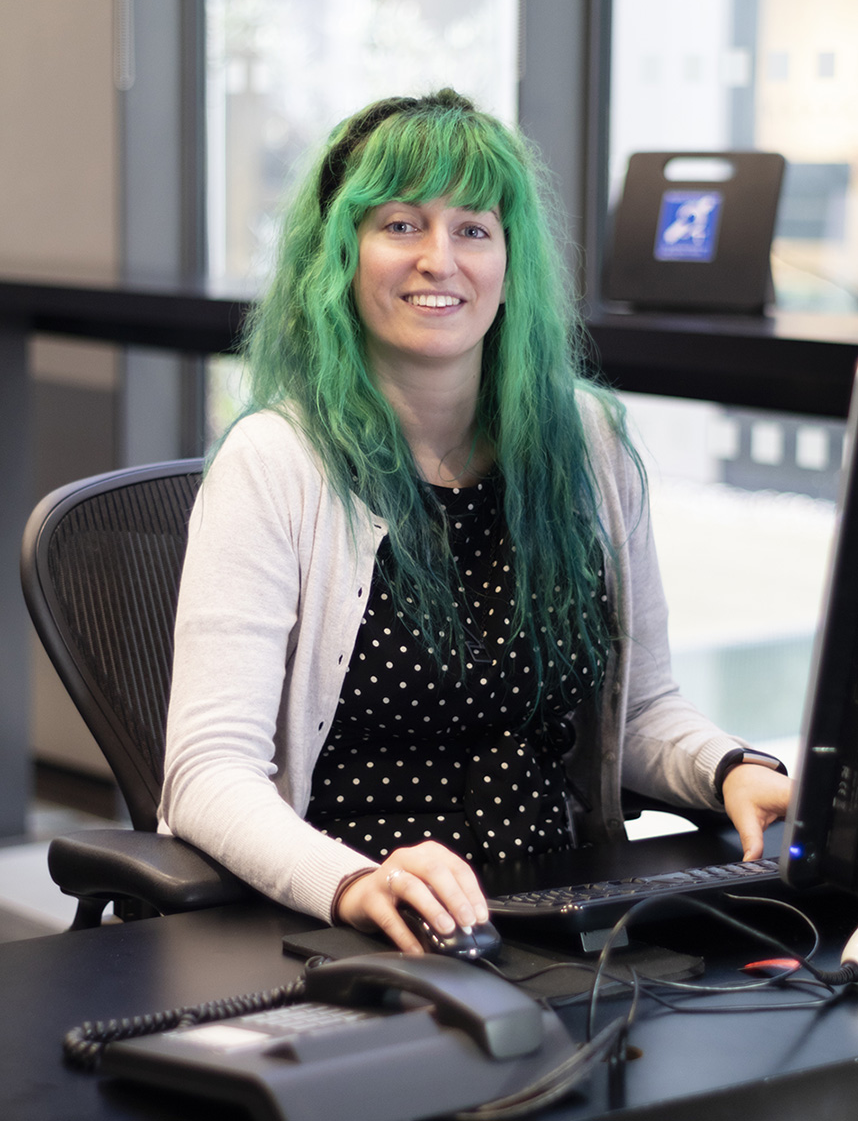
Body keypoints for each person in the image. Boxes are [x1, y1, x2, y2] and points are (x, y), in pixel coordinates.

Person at [159, 88, 791, 955]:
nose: (438, 259)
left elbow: (642, 710)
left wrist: (731, 768)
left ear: (508, 260)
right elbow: (206, 774)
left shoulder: (587, 445)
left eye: (472, 229)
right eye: (401, 224)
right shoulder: (276, 463)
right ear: (340, 253)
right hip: (352, 920)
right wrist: (349, 881)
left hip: (557, 911)